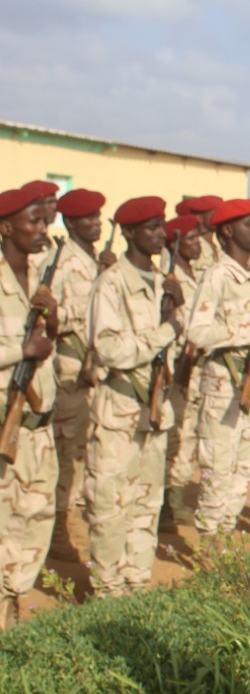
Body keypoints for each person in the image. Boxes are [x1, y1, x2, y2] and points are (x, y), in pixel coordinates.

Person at [84, 196, 184, 596]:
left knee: (147, 502)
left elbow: (181, 335)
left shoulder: (162, 282)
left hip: (155, 408)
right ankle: (107, 588)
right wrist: (165, 331)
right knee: (110, 504)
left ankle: (138, 581)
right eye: (151, 228)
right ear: (128, 233)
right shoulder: (111, 284)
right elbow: (108, 349)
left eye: (162, 226)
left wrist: (178, 306)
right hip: (121, 408)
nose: (161, 235)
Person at [186, 198, 250, 537]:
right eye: (249, 224)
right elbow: (196, 331)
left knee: (243, 469)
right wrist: (248, 329)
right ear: (227, 230)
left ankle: (226, 532)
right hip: (224, 386)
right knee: (219, 466)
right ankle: (210, 539)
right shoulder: (217, 275)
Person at [0, 184, 59, 629]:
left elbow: (48, 346)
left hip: (40, 428)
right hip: (7, 425)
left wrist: (52, 319)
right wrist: (21, 350)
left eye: (44, 220)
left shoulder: (40, 277)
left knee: (36, 523)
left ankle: (13, 616)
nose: (43, 228)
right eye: (33, 221)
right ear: (6, 227)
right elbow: (27, 350)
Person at [45, 188, 109, 560]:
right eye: (88, 218)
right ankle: (57, 532)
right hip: (71, 367)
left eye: (98, 217)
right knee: (67, 453)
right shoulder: (63, 262)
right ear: (70, 223)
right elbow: (54, 318)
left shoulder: (94, 260)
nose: (96, 223)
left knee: (87, 450)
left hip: (95, 368)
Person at [162, 215, 204, 525]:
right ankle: (166, 502)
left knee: (189, 433)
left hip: (198, 363)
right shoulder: (169, 276)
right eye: (190, 239)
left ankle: (175, 497)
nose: (197, 243)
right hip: (178, 366)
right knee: (175, 434)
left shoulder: (197, 273)